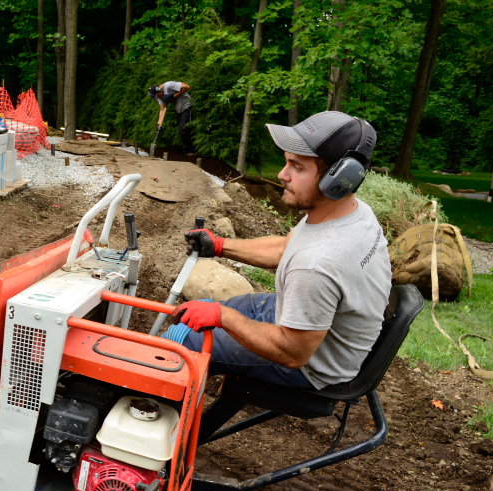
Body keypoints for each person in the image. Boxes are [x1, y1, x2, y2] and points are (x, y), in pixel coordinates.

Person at [164, 111, 391, 390]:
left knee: (181, 343)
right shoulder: (351, 212)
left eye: (297, 167)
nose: (282, 175)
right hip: (314, 330)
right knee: (220, 310)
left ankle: (161, 418)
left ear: (340, 178)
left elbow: (292, 353)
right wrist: (221, 246)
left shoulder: (318, 263)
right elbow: (287, 246)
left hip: (310, 365)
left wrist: (222, 318)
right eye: (286, 163)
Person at [148, 82, 194, 155]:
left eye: (158, 95)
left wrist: (173, 95)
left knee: (182, 129)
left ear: (158, 90)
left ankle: (191, 151)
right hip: (179, 109)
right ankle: (189, 150)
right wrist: (159, 124)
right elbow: (162, 110)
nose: (159, 97)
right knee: (181, 131)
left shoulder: (169, 85)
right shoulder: (160, 96)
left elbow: (187, 86)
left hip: (187, 106)